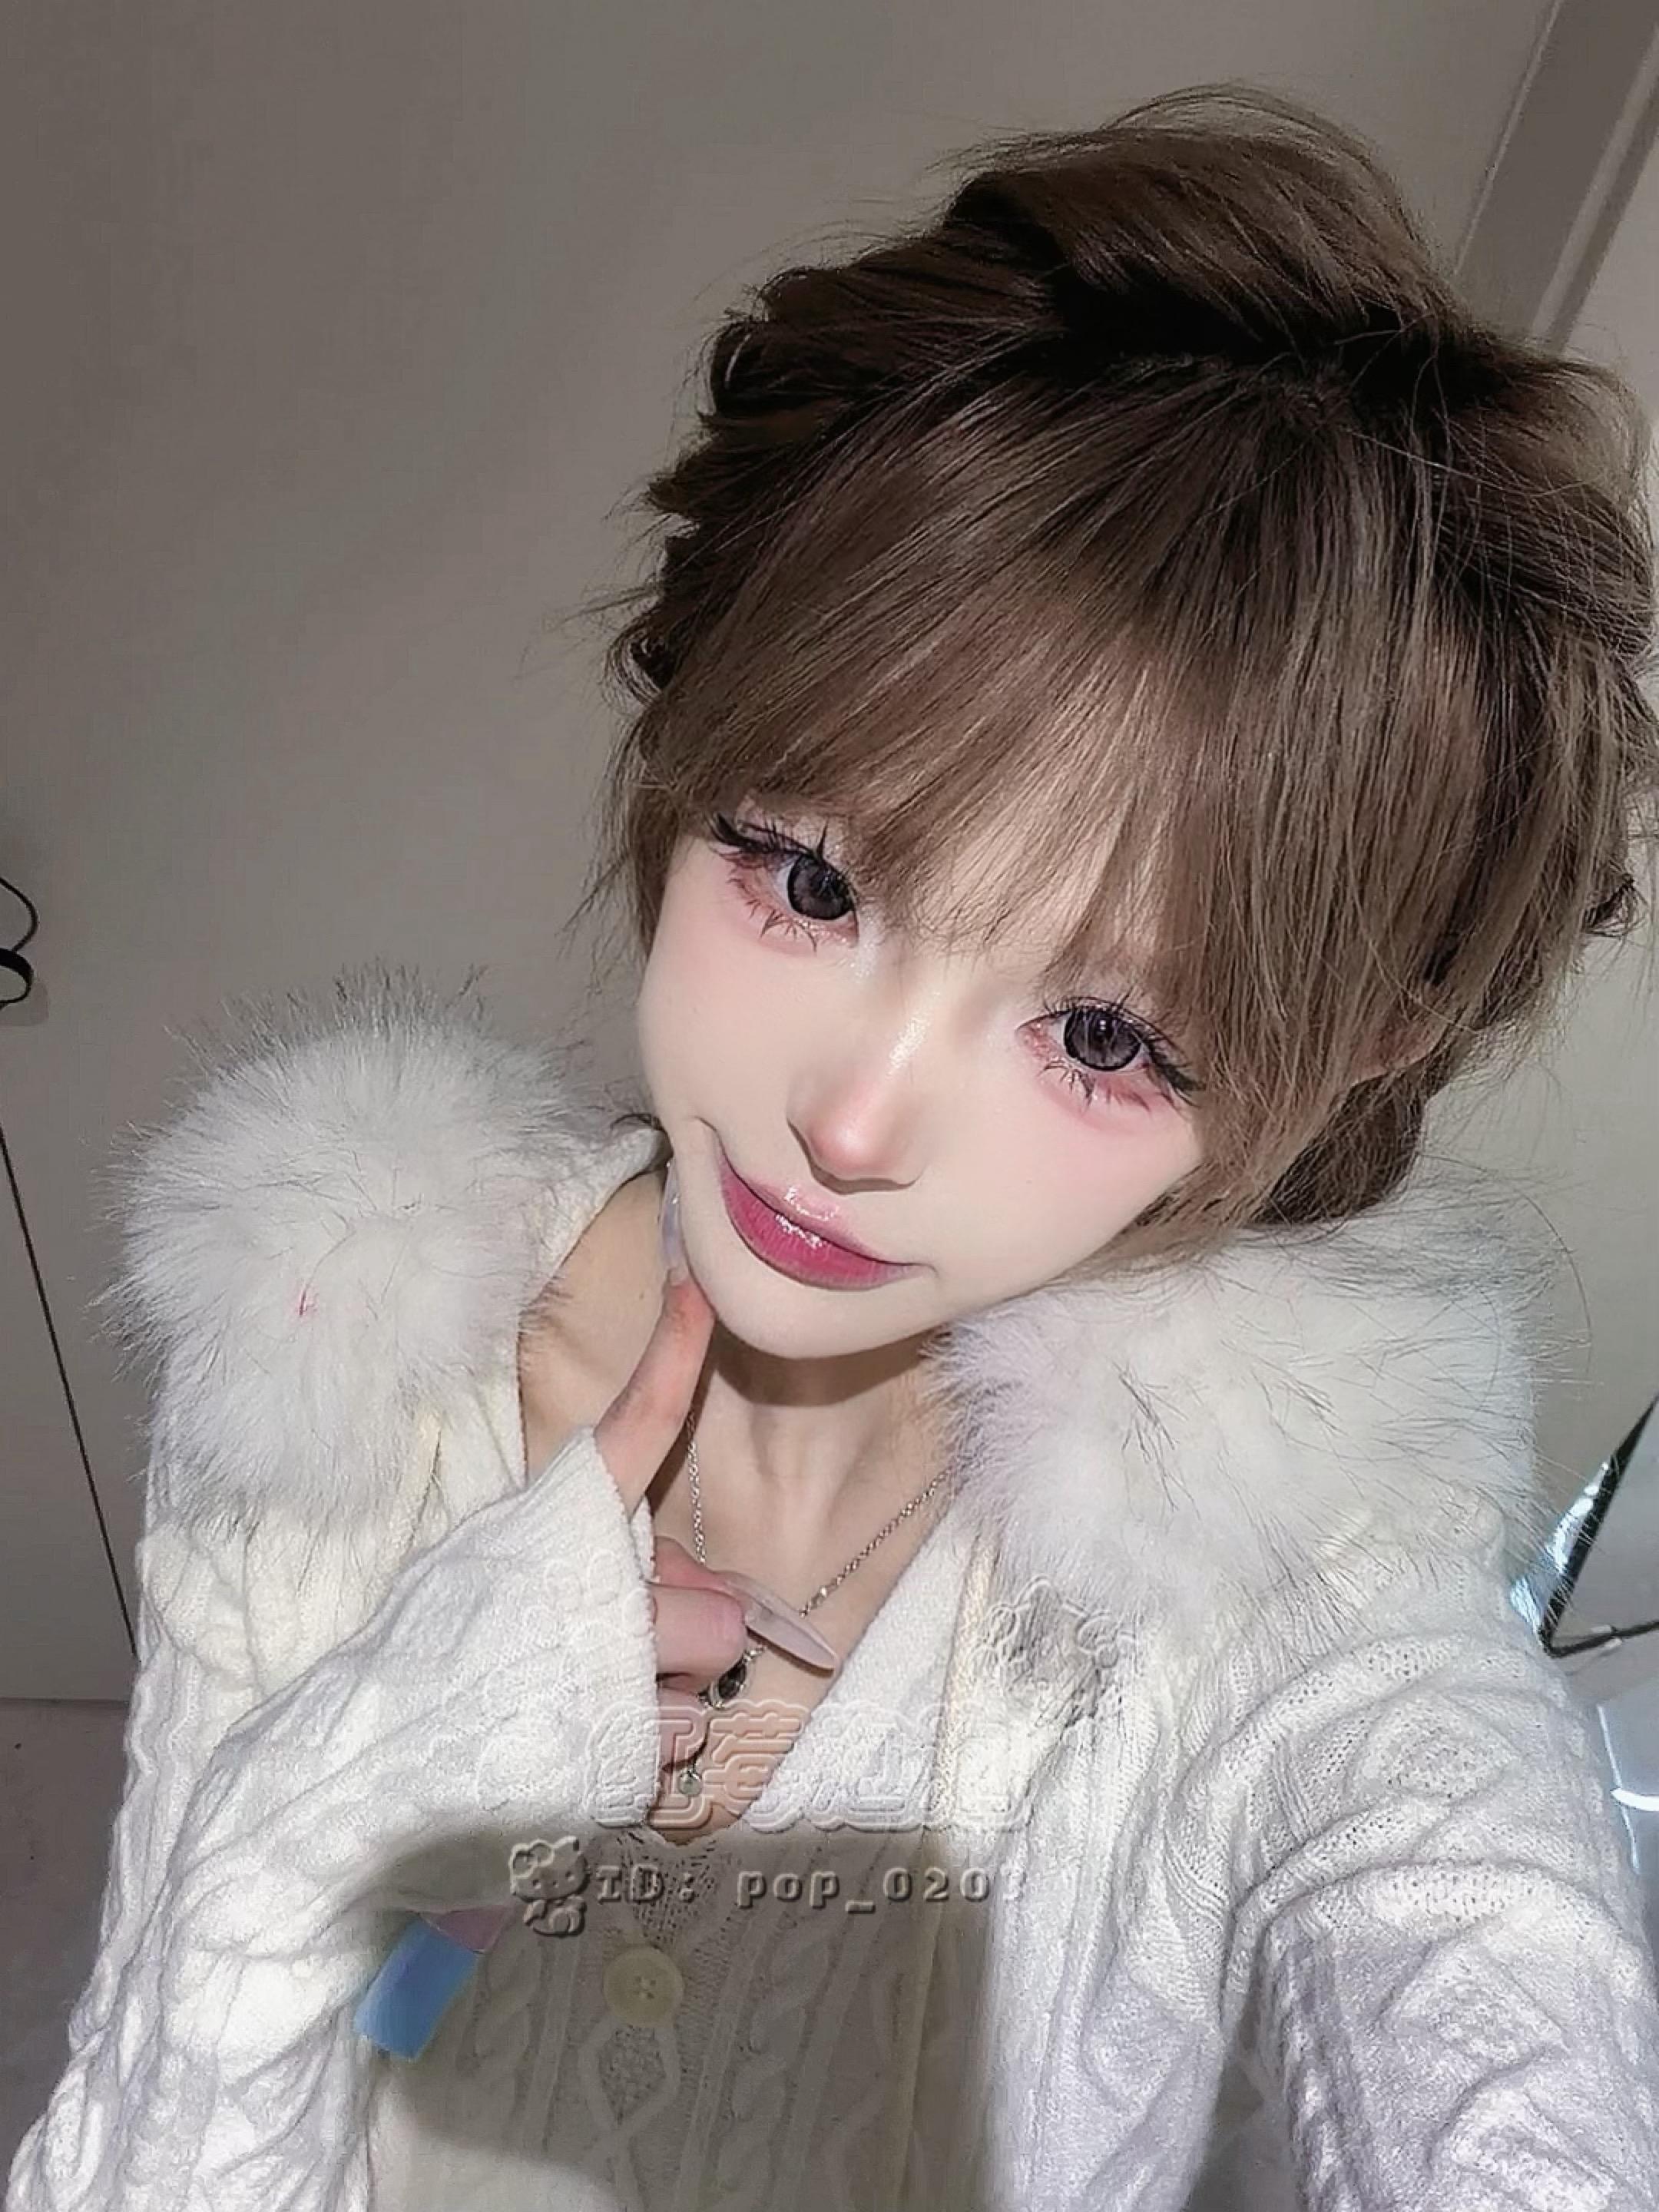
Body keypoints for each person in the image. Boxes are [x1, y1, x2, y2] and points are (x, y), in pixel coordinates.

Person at [10, 81, 1659, 2212]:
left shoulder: (1256, 1572)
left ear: (1339, 1068)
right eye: (808, 877)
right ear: (692, 721)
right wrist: (363, 1793)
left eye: (1102, 1032)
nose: (853, 1120)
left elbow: (1459, 1907)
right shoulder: (334, 1358)